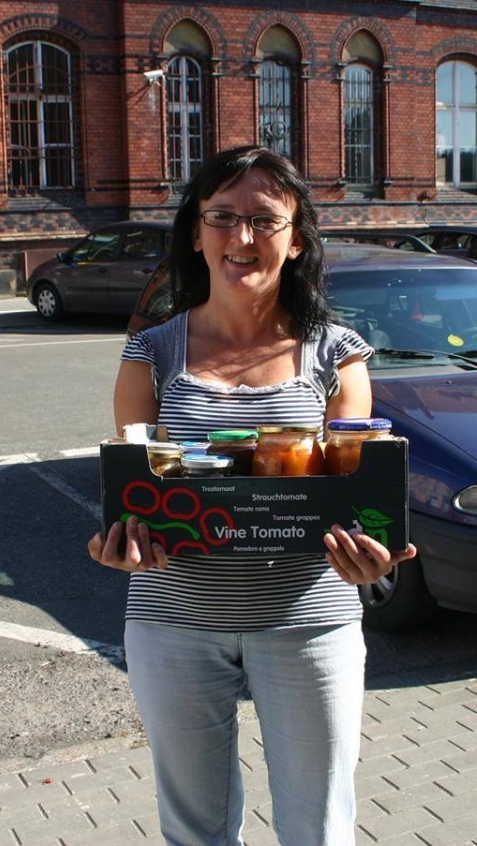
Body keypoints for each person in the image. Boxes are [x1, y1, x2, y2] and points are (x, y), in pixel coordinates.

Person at [88, 146, 417, 846]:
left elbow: (356, 491)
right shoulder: (151, 353)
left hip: (309, 621)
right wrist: (124, 540)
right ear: (196, 232)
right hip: (173, 620)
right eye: (222, 217)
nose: (241, 237)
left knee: (317, 828)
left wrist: (373, 552)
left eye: (264, 219)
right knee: (195, 831)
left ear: (296, 240)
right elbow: (136, 486)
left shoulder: (337, 354)